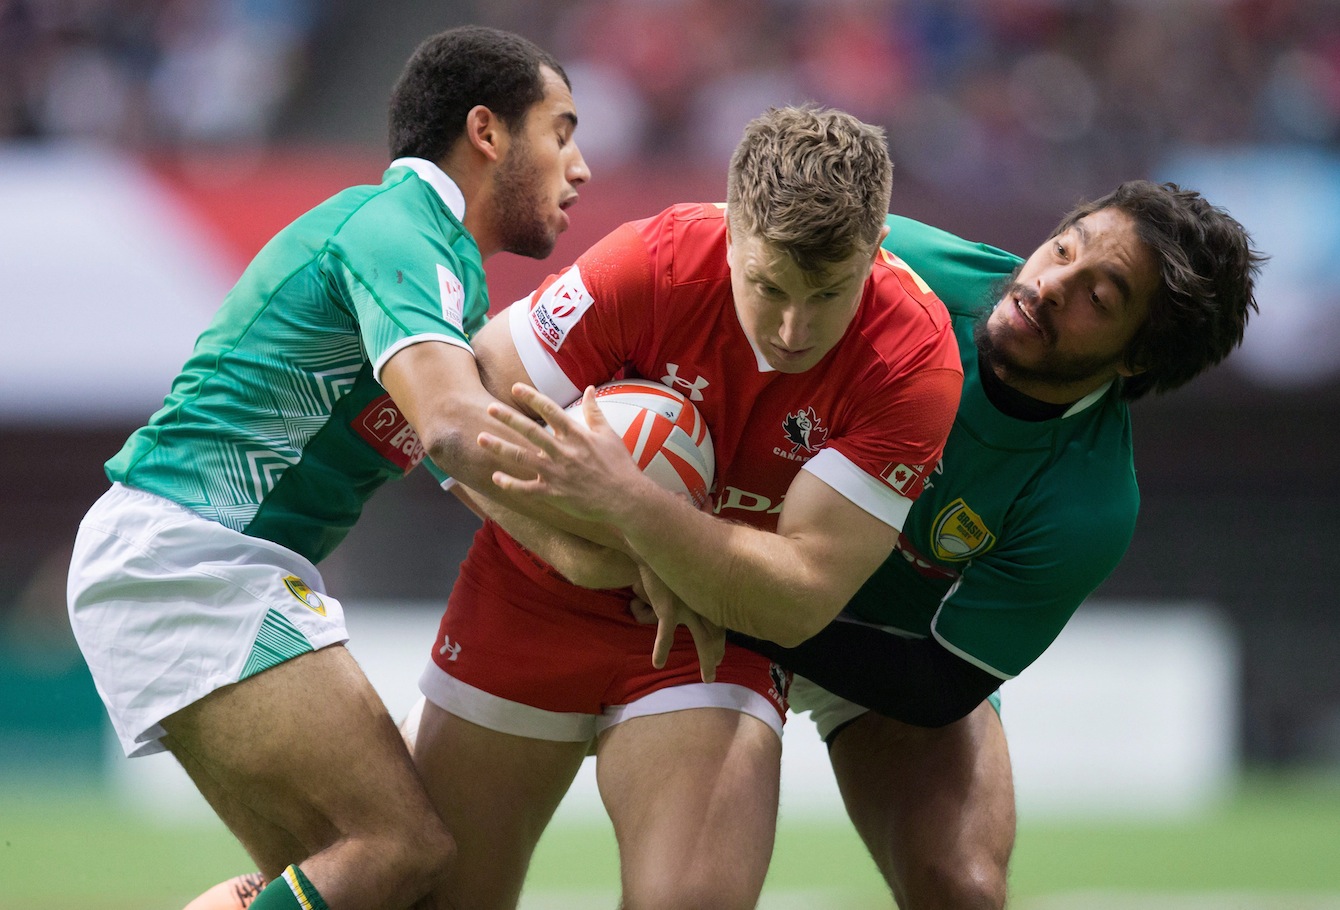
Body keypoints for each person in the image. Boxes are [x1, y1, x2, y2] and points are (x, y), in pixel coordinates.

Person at [66, 25, 589, 910]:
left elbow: (457, 471)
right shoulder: (398, 229)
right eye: (563, 131)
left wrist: (601, 565)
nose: (579, 169)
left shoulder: (442, 264)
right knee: (400, 849)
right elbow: (458, 432)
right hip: (190, 559)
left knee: (365, 887)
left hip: (210, 563)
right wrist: (624, 518)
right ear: (487, 132)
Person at [410, 105, 962, 910]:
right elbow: (459, 420)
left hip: (713, 632)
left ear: (876, 252)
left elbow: (802, 595)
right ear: (732, 231)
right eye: (767, 284)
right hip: (537, 589)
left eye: (829, 293)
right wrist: (605, 555)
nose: (791, 328)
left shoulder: (912, 359)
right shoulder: (653, 261)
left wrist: (624, 501)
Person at [728, 181, 1263, 909]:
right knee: (696, 884)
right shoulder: (897, 264)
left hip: (857, 640)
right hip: (726, 553)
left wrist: (746, 608)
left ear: (1137, 359)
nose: (1047, 285)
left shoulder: (1088, 503)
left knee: (965, 890)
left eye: (1098, 299)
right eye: (1063, 249)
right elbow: (705, 259)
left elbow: (938, 683)